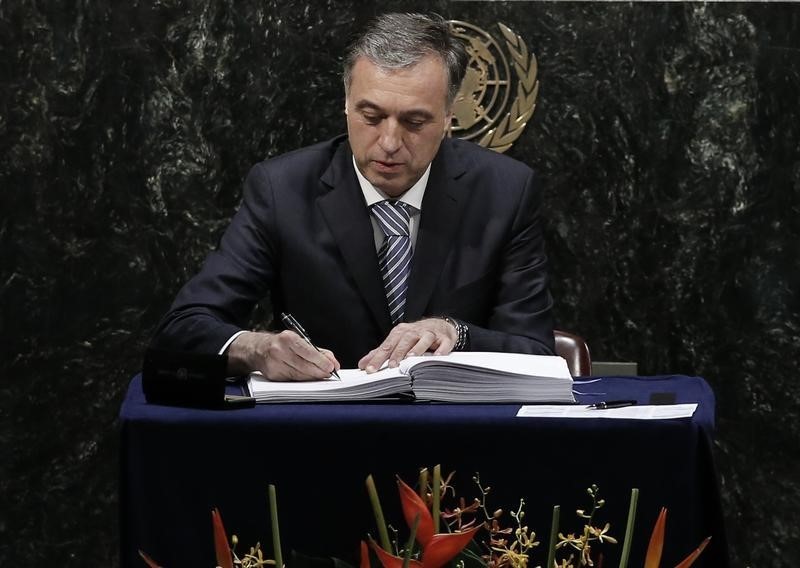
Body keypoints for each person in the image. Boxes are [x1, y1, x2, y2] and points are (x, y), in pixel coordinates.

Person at [150, 12, 554, 381]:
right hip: (323, 437)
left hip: (459, 437)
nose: (390, 142)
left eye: (414, 121)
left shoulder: (506, 192)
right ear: (345, 104)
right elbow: (184, 327)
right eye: (371, 116)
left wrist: (457, 335)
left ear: (449, 118)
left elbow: (536, 354)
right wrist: (256, 348)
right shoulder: (282, 190)